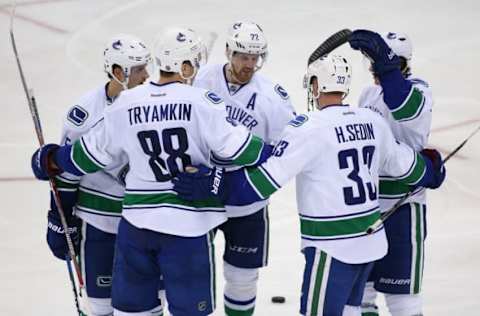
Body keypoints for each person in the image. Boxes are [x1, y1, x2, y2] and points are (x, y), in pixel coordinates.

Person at [172, 54, 446, 315]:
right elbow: (408, 167)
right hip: (370, 242)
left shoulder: (308, 128)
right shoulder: (372, 121)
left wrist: (214, 184)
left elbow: (259, 185)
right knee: (352, 310)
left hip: (332, 246)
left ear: (315, 85)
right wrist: (432, 170)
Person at [31, 26, 273, 316]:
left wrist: (52, 159)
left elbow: (86, 156)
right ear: (184, 66)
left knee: (134, 311)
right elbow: (247, 151)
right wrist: (274, 152)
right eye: (194, 61)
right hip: (188, 226)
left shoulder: (126, 104)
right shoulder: (202, 102)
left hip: (137, 228)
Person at [45, 34, 155, 316]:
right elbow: (67, 174)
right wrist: (60, 220)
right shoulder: (84, 114)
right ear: (118, 72)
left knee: (148, 304)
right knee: (100, 306)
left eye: (146, 66)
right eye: (140, 69)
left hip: (146, 223)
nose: (147, 75)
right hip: (99, 223)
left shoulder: (154, 102)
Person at [193, 21, 296, 316]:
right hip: (201, 195)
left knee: (242, 280)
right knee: (194, 274)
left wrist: (248, 183)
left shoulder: (274, 98)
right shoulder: (200, 81)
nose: (249, 64)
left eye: (256, 58)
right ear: (228, 51)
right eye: (243, 57)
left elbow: (286, 151)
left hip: (248, 201)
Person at [348, 30, 435, 316]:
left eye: (381, 62)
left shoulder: (420, 89)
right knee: (362, 296)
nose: (374, 69)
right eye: (372, 62)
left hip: (404, 208)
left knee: (404, 303)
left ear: (402, 64)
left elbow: (401, 103)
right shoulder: (367, 94)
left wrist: (386, 66)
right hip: (367, 207)